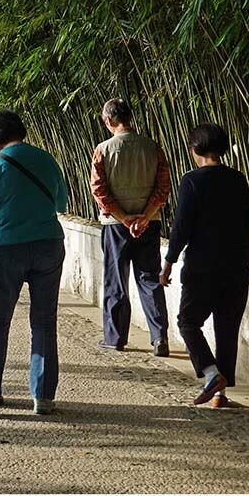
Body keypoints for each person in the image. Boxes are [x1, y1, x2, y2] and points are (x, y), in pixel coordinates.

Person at [0, 110, 68, 415]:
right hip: (49, 245)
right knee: (44, 321)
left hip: (7, 248)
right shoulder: (47, 159)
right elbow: (61, 203)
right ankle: (43, 395)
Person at [160, 122, 249, 408]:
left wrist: (168, 262)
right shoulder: (239, 179)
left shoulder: (192, 181)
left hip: (202, 265)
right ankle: (220, 394)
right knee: (227, 328)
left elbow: (181, 228)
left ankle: (212, 375)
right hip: (236, 266)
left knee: (188, 322)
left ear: (195, 149)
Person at [89, 98, 172, 356]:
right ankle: (159, 338)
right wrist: (145, 217)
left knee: (116, 281)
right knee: (149, 279)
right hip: (150, 223)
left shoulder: (103, 149)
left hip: (115, 225)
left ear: (108, 121)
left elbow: (99, 190)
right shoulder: (153, 147)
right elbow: (163, 188)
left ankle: (115, 337)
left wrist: (124, 218)